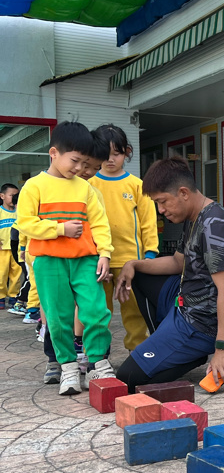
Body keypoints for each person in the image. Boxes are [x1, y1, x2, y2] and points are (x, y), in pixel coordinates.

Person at [113, 157, 224, 390]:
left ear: (183, 193)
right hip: (185, 300)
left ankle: (198, 351)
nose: (160, 210)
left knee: (128, 377)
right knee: (141, 273)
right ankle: (166, 342)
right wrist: (133, 264)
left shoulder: (215, 228)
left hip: (202, 323)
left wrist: (222, 347)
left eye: (163, 202)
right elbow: (178, 262)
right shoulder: (194, 217)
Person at [14, 121, 115, 396]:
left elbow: (100, 223)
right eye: (75, 161)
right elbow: (25, 223)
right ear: (54, 153)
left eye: (84, 162)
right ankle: (67, 367)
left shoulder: (85, 189)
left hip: (85, 259)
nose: (80, 168)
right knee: (58, 318)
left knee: (96, 310)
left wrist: (105, 253)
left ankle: (97, 363)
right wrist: (60, 229)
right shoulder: (34, 186)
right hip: (49, 261)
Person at [89, 123, 158, 352]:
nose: (110, 159)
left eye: (116, 154)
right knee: (98, 310)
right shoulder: (88, 185)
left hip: (131, 261)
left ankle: (137, 349)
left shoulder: (137, 185)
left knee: (134, 310)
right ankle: (98, 353)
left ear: (127, 152)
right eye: (105, 154)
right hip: (98, 260)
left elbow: (149, 222)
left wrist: (149, 255)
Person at [0, 182, 21, 310]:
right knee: (1, 274)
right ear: (2, 196)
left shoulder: (19, 211)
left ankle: (14, 296)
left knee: (16, 274)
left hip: (16, 249)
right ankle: (1, 297)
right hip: (2, 249)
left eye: (16, 195)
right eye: (11, 195)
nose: (14, 198)